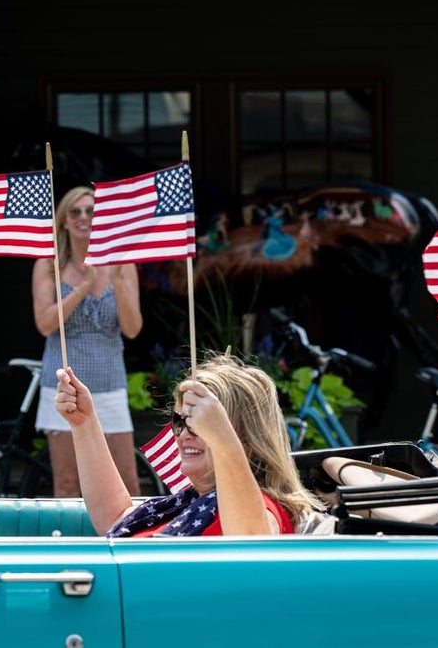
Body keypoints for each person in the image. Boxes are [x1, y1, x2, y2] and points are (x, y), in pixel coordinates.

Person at [54, 353, 323, 536]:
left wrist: (224, 443)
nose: (183, 434)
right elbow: (116, 519)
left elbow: (252, 548)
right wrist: (84, 423)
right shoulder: (188, 504)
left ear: (246, 439)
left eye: (200, 423)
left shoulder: (261, 508)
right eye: (179, 420)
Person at [32, 185, 143, 498]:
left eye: (91, 211)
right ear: (64, 221)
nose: (84, 217)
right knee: (67, 484)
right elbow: (44, 324)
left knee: (128, 483)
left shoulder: (122, 264)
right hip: (64, 386)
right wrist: (85, 287)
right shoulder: (47, 265)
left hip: (110, 385)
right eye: (75, 211)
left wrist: (117, 282)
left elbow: (133, 329)